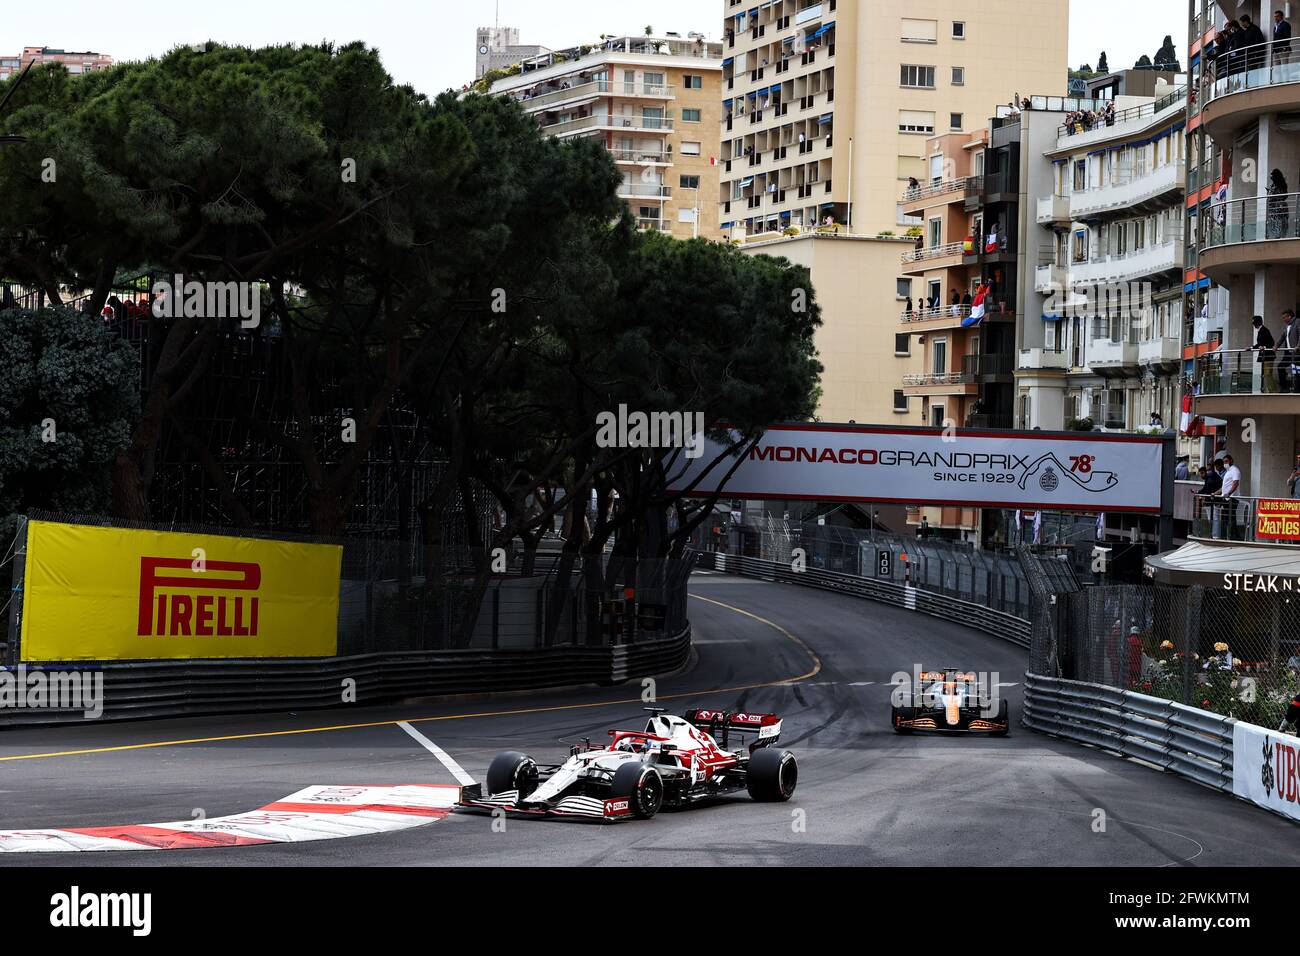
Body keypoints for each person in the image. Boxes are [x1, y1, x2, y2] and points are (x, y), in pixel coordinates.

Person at [1253, 314, 1279, 392]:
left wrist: (1264, 347)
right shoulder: (1261, 330)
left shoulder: (1264, 330)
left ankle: (1273, 391)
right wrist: (1251, 347)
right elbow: (1260, 343)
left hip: (1268, 355)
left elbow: (1271, 342)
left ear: (1257, 323)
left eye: (1254, 323)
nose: (1253, 325)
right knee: (1266, 374)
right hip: (1265, 356)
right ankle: (1271, 390)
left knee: (1267, 374)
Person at [1219, 454, 1243, 540]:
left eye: (1226, 461)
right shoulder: (1228, 471)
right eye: (1224, 462)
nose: (1225, 463)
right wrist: (1216, 493)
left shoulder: (1235, 470)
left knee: (1231, 518)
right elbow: (1224, 486)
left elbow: (1235, 483)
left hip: (1232, 499)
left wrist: (1229, 493)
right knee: (1226, 518)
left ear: (1231, 461)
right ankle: (1228, 535)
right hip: (1226, 498)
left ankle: (1234, 536)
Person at [1278, 308, 1300, 392]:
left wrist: (1298, 346)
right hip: (1288, 353)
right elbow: (1282, 336)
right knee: (1280, 367)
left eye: (1284, 317)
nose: (1283, 319)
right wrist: (1276, 346)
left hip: (1296, 352)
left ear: (1289, 316)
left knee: (1297, 371)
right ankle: (1284, 388)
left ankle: (1297, 390)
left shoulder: (1297, 322)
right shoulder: (1287, 325)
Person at [1267, 168, 1290, 238]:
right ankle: (1277, 236)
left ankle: (1280, 236)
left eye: (1272, 175)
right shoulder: (1272, 185)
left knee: (1280, 222)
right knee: (1274, 223)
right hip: (1272, 208)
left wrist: (1274, 195)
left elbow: (1285, 195)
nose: (1270, 177)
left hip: (1278, 207)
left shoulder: (1281, 185)